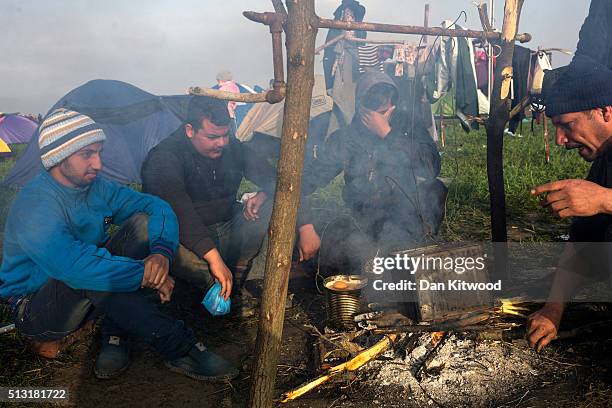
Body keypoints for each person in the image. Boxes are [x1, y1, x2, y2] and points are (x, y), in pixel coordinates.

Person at [0, 108, 239, 382]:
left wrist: (160, 255)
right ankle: (180, 345)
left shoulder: (96, 187)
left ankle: (114, 337)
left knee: (141, 224)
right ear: (59, 157)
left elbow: (156, 207)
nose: (98, 164)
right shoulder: (35, 204)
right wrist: (143, 275)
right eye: (87, 154)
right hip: (37, 309)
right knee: (89, 274)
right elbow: (76, 267)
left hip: (89, 287)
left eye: (99, 153)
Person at [141, 96, 320, 302]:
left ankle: (251, 277)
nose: (222, 143)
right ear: (190, 130)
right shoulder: (164, 158)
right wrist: (213, 257)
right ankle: (215, 283)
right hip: (186, 241)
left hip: (227, 228)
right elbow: (180, 213)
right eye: (212, 137)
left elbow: (280, 181)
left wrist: (304, 223)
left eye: (225, 135)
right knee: (147, 228)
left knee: (273, 203)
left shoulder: (233, 149)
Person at [301, 71, 447, 277]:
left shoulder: (407, 126)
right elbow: (306, 180)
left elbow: (431, 167)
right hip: (364, 220)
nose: (381, 103)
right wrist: (305, 226)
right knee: (337, 258)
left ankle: (414, 250)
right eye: (374, 97)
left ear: (393, 102)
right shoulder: (347, 138)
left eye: (386, 97)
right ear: (361, 104)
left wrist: (387, 133)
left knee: (435, 188)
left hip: (407, 217)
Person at [528, 56, 612, 351]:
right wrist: (553, 309)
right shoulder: (605, 160)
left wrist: (604, 199)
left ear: (604, 111)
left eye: (568, 124)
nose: (561, 140)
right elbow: (582, 243)